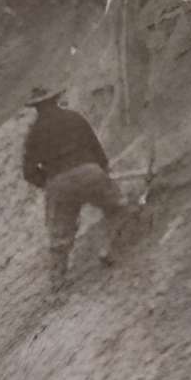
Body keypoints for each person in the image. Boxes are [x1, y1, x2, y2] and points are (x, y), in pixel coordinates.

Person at [21, 86, 122, 289]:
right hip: (89, 171)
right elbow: (96, 149)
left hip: (59, 183)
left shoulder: (34, 133)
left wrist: (50, 182)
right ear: (55, 99)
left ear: (36, 108)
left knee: (60, 236)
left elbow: (29, 172)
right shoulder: (74, 118)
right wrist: (102, 171)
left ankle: (58, 281)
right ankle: (111, 248)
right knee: (115, 209)